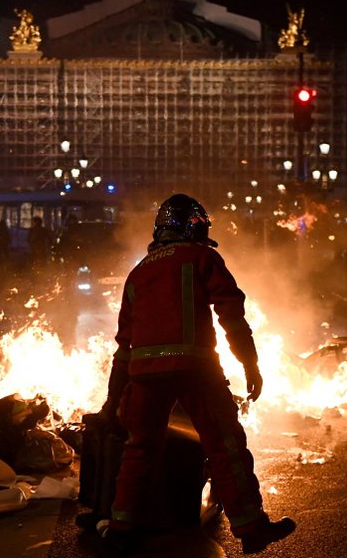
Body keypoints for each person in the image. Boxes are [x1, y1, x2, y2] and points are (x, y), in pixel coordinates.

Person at [98, 193, 295, 555]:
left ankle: (121, 527)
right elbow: (231, 314)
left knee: (139, 449)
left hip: (143, 374)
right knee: (224, 446)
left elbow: (123, 343)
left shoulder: (138, 272)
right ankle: (251, 527)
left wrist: (114, 397)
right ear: (195, 225)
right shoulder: (204, 257)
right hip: (196, 370)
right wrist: (249, 362)